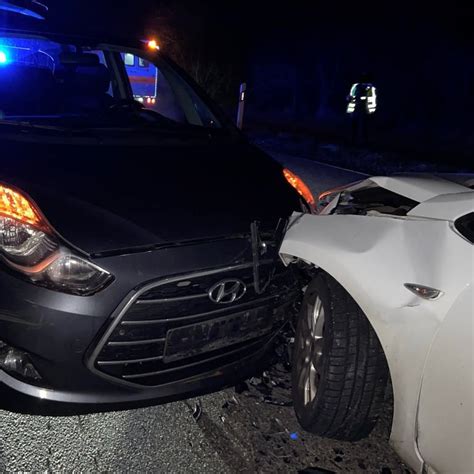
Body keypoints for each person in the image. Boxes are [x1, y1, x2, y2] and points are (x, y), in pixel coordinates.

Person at [347, 73, 377, 145]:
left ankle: (365, 142)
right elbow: (350, 96)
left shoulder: (371, 88)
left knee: (365, 127)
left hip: (365, 109)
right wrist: (349, 98)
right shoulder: (355, 86)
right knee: (354, 126)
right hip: (355, 108)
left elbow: (372, 99)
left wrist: (372, 110)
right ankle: (353, 141)